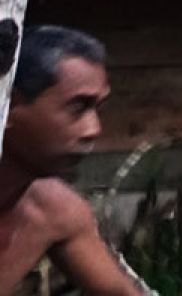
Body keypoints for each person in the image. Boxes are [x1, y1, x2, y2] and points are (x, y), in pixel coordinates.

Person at [0, 25, 142, 295]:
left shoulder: (52, 211)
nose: (93, 130)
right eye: (77, 107)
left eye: (97, 108)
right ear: (9, 106)